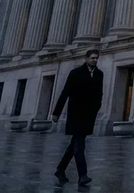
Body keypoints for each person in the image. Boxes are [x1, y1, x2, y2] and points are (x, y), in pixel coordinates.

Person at [52, 49, 103, 186]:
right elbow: (65, 93)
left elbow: (99, 94)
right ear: (86, 58)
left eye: (96, 58)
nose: (95, 60)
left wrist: (97, 108)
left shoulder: (99, 74)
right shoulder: (75, 73)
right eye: (92, 58)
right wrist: (56, 112)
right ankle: (83, 175)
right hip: (76, 114)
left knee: (74, 144)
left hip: (89, 115)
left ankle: (60, 169)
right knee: (79, 145)